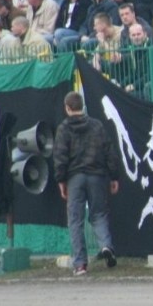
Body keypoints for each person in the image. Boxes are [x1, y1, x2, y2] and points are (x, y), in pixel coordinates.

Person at [53, 91, 120, 276]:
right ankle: (106, 246)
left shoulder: (64, 128)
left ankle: (80, 264)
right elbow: (109, 152)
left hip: (75, 178)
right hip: (97, 176)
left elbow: (60, 156)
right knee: (98, 214)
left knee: (75, 220)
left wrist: (61, 180)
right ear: (82, 106)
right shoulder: (96, 125)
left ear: (67, 108)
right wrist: (114, 177)